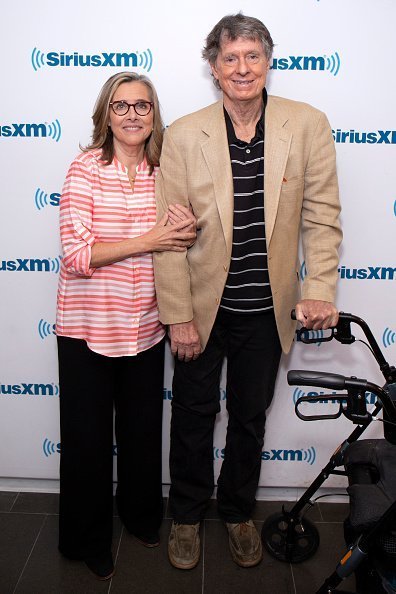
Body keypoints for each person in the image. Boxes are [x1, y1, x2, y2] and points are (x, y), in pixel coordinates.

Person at [153, 13, 342, 570]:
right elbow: (169, 236)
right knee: (190, 415)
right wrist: (178, 315)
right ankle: (186, 516)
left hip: (267, 312)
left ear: (268, 62)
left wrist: (319, 288)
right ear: (214, 68)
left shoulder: (306, 124)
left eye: (252, 56)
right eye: (230, 58)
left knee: (250, 418)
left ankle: (237, 512)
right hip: (202, 311)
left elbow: (323, 218)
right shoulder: (185, 134)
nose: (242, 68)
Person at [56, 71, 195, 580]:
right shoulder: (85, 169)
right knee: (88, 442)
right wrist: (150, 239)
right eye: (121, 105)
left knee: (140, 435)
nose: (132, 114)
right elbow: (76, 256)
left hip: (145, 327)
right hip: (87, 329)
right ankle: (86, 539)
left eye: (142, 105)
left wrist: (179, 232)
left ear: (154, 114)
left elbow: (184, 232)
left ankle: (140, 517)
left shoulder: (166, 171)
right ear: (106, 114)